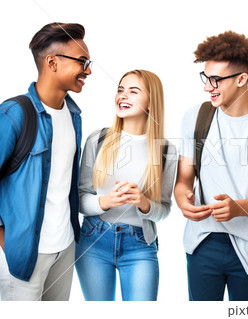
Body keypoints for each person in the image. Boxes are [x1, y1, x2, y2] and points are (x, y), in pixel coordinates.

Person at [0, 22, 92, 300]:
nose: (89, 70)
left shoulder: (73, 115)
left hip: (65, 247)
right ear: (53, 62)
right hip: (22, 254)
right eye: (82, 62)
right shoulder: (10, 115)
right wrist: (8, 241)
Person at [174, 31, 248, 301]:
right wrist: (182, 200)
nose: (207, 87)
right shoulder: (196, 117)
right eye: (206, 78)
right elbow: (183, 180)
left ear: (241, 79)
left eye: (216, 80)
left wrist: (238, 209)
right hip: (202, 242)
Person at [75, 69, 177, 301]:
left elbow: (164, 210)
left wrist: (143, 203)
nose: (123, 95)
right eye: (120, 89)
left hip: (139, 245)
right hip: (93, 241)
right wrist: (105, 202)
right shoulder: (97, 139)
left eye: (133, 91)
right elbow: (80, 198)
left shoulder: (166, 150)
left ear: (151, 102)